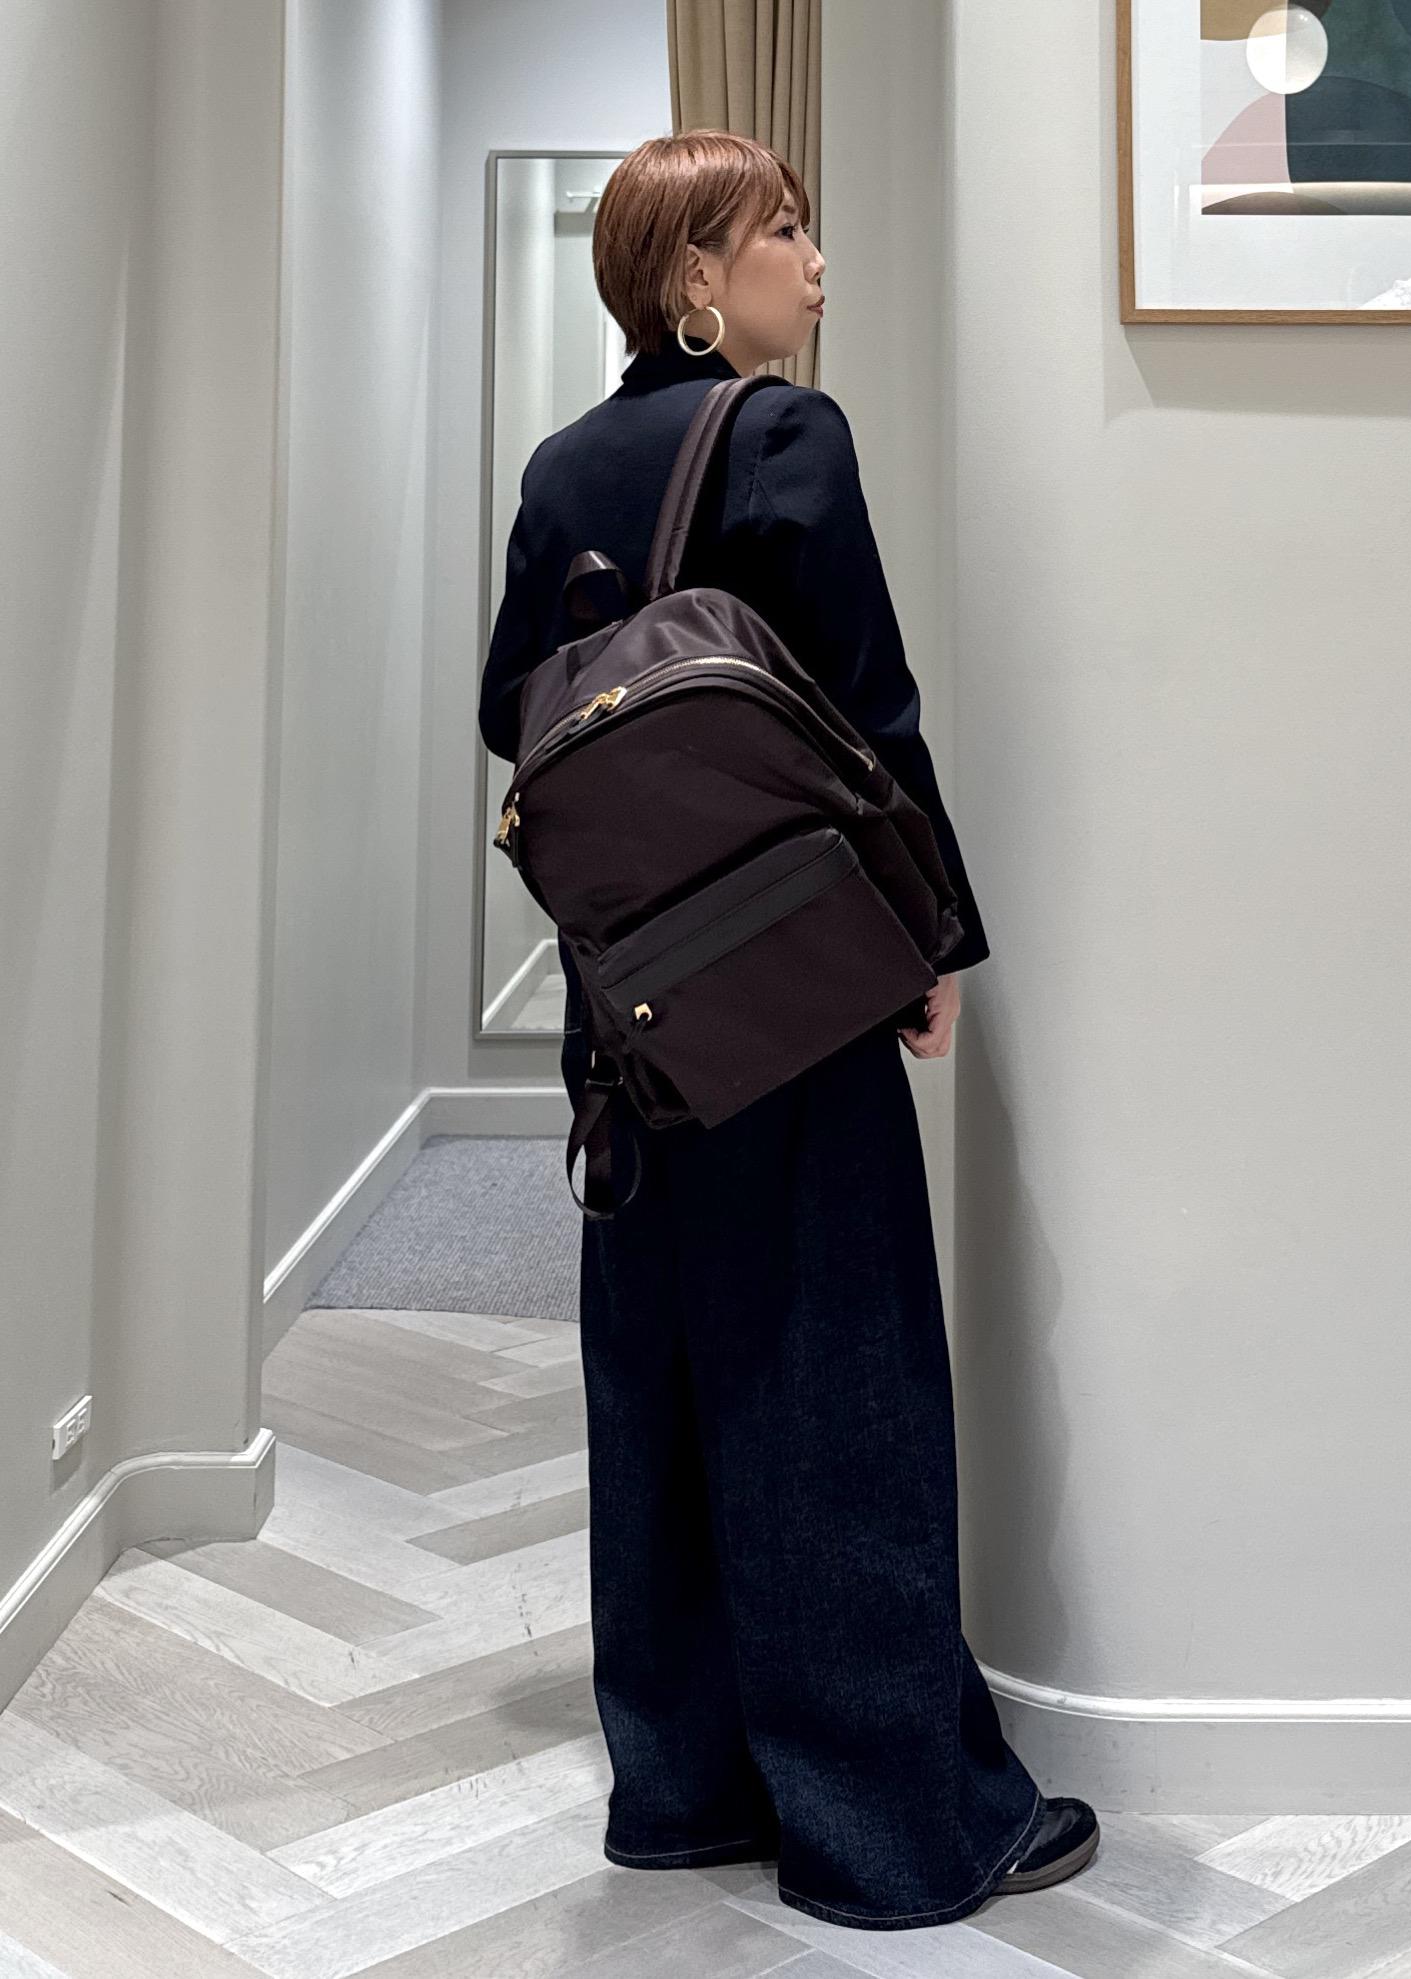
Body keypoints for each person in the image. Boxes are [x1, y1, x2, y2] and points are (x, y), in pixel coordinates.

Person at [479, 129, 1097, 1932]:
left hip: (632, 1006)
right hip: (792, 991)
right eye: (783, 230)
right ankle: (889, 1828)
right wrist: (932, 940)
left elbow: (514, 722)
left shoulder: (562, 463)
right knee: (838, 1380)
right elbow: (870, 718)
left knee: (664, 1377)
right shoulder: (785, 435)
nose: (813, 263)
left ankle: (682, 1790)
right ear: (696, 276)